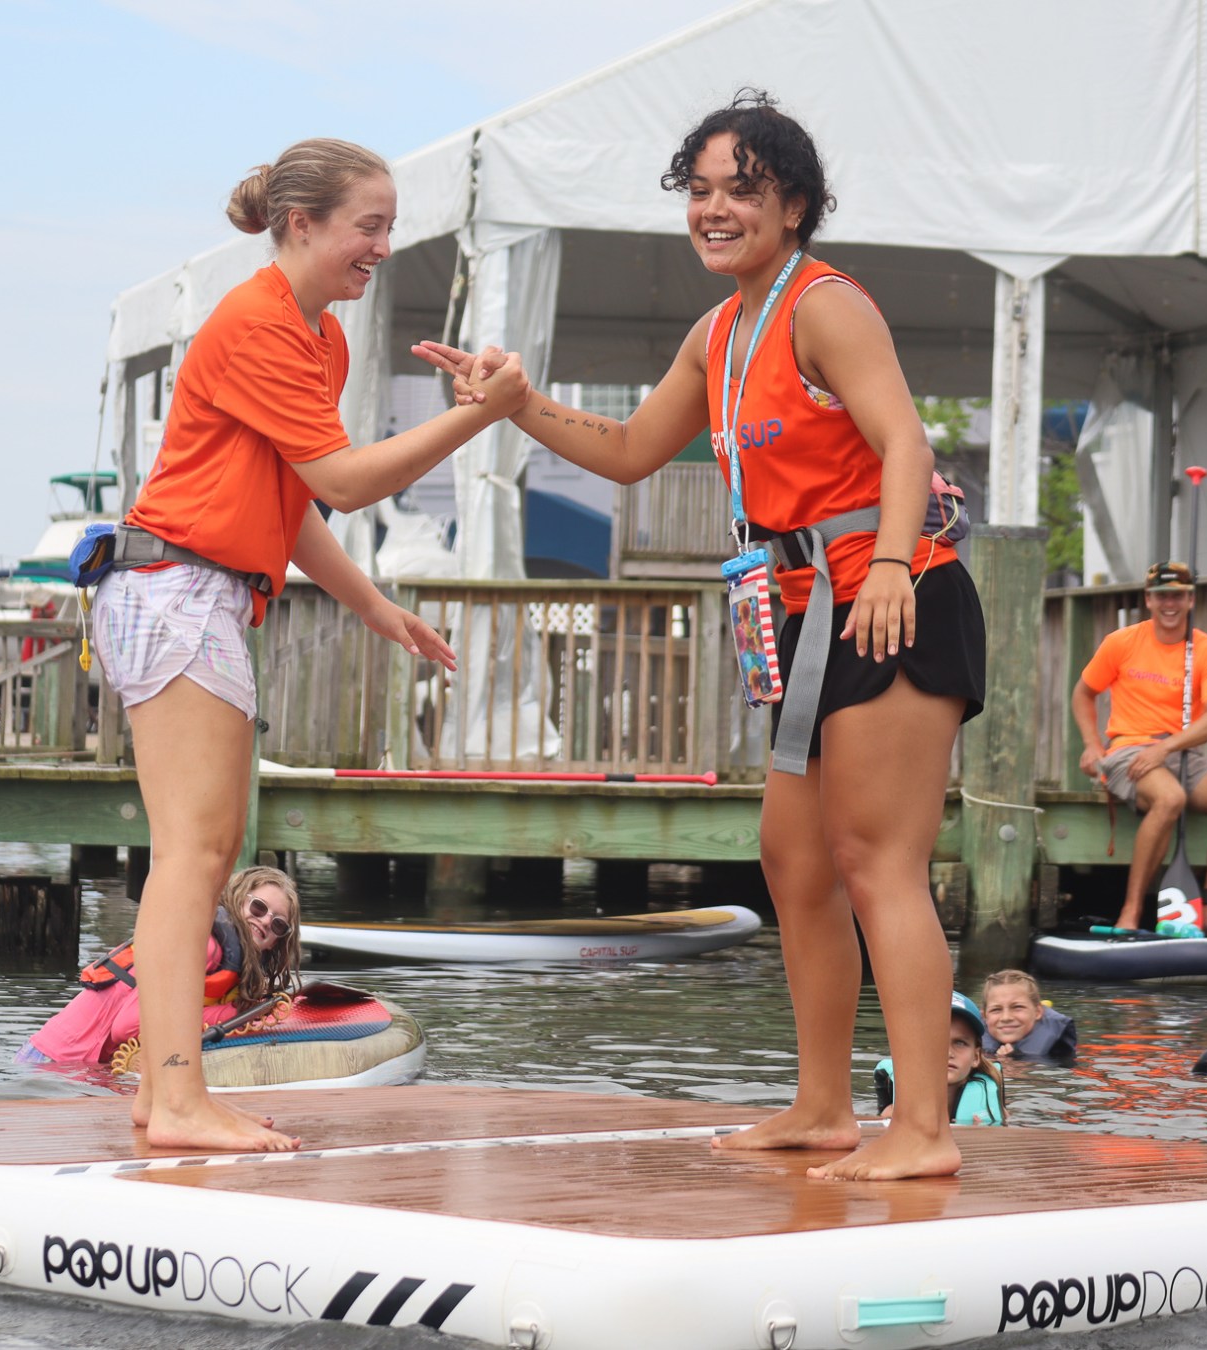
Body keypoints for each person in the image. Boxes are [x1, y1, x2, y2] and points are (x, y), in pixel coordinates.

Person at [417, 90, 985, 1180]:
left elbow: (903, 443)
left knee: (880, 862)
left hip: (892, 597)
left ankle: (924, 1129)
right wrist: (514, 404)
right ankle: (823, 1106)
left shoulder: (827, 305)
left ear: (797, 206)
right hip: (803, 615)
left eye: (742, 191)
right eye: (702, 191)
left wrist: (894, 566)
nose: (715, 209)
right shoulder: (719, 332)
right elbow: (631, 449)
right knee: (794, 862)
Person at [94, 138, 526, 1152]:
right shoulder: (255, 325)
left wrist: (375, 606)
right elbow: (341, 480)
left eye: (388, 225)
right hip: (174, 588)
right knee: (193, 858)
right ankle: (179, 1097)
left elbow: (290, 503)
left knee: (197, 855)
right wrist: (479, 418)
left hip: (201, 590)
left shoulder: (317, 335)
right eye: (368, 226)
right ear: (301, 226)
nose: (383, 245)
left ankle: (167, 1097)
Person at [1072, 560, 1207, 937]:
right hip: (1127, 751)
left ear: (1190, 600)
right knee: (1170, 798)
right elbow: (1083, 693)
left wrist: (1166, 748)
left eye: (1178, 596)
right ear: (1148, 600)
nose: (1169, 604)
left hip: (1181, 753)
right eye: (1161, 596)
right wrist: (1093, 746)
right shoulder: (1122, 642)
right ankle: (1132, 909)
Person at [20, 868, 300, 1072]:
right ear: (239, 899)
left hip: (78, 1066)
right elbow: (127, 1027)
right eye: (259, 907)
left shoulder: (233, 965)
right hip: (51, 1065)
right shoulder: (208, 945)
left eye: (278, 925)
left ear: (276, 943)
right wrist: (236, 1014)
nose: (264, 921)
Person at [875, 992, 1005, 1126]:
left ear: (976, 1057)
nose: (948, 1053)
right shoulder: (892, 1114)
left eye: (960, 1043)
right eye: (936, 1041)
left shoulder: (992, 1112)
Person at [980, 969, 1077, 1061]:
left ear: (1038, 1012)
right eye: (996, 1009)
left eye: (1017, 1007)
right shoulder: (972, 1048)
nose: (1006, 1017)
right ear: (984, 1016)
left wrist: (1017, 1064)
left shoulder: (1059, 1049)